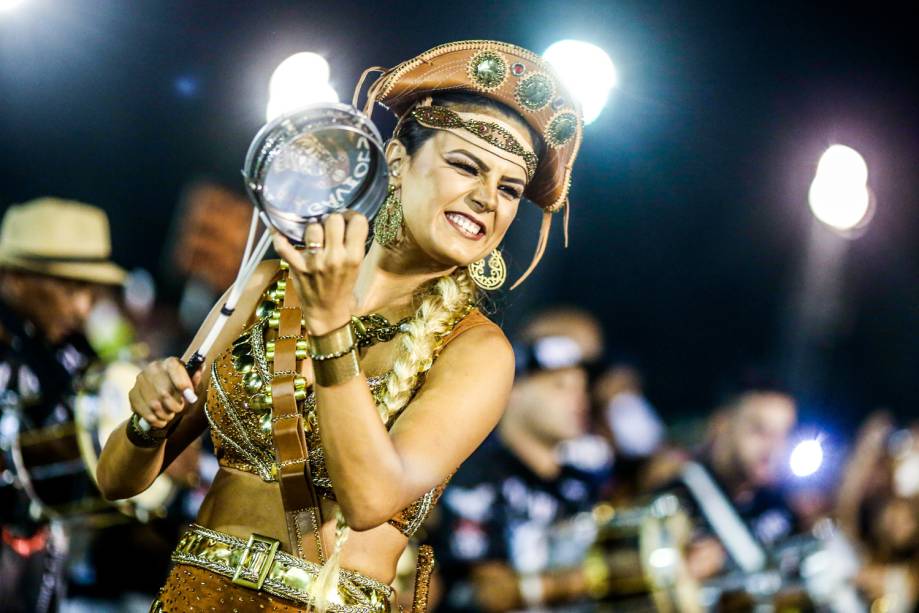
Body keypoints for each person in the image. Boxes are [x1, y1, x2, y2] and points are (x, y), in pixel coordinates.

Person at [95, 40, 585, 613]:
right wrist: (146, 425)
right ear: (397, 162)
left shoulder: (477, 351)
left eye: (508, 189)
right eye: (464, 165)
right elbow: (116, 481)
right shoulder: (268, 284)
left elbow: (371, 497)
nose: (486, 199)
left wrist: (330, 328)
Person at [0, 198, 126, 612]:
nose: (83, 306)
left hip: (39, 558)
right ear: (14, 279)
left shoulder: (79, 356)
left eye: (90, 289)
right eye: (69, 287)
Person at [433, 309, 605, 612]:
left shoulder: (579, 482)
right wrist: (596, 578)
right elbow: (486, 594)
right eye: (560, 386)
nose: (579, 399)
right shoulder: (475, 475)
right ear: (513, 391)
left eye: (581, 387)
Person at [669, 387, 799, 582]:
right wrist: (680, 573)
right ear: (722, 424)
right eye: (760, 431)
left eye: (782, 434)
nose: (773, 448)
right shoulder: (675, 497)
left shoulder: (780, 506)